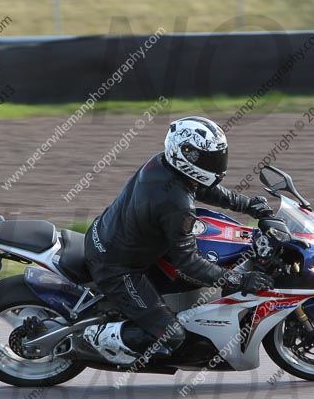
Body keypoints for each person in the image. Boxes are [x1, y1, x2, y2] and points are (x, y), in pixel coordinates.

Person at [83, 116, 275, 364]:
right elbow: (188, 263)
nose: (216, 164)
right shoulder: (176, 205)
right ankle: (91, 337)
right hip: (117, 267)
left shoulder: (164, 163)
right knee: (171, 336)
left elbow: (201, 187)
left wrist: (246, 204)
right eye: (207, 158)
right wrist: (240, 279)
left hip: (108, 235)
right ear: (185, 154)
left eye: (218, 156)